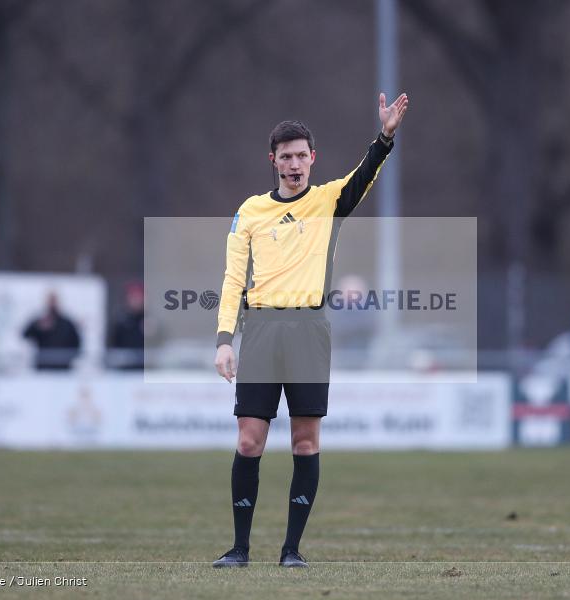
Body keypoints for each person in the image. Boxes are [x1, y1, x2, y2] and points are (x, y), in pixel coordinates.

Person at [212, 92, 409, 568]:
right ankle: (239, 549)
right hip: (259, 331)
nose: (295, 164)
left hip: (309, 330)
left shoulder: (328, 202)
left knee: (305, 442)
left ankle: (291, 551)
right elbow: (233, 278)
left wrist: (384, 137)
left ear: (312, 159)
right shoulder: (251, 211)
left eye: (302, 155)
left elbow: (364, 176)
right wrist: (224, 340)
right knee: (248, 441)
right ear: (274, 161)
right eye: (287, 157)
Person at [22, 292, 81, 370]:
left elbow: (77, 344)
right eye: (50, 301)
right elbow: (25, 334)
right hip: (43, 367)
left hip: (63, 368)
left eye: (54, 301)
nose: (52, 304)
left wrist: (69, 358)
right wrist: (37, 327)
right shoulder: (40, 321)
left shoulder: (67, 323)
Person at [109, 281, 145, 370]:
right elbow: (114, 345)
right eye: (133, 297)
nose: (136, 300)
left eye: (139, 297)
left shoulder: (152, 321)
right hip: (126, 371)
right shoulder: (121, 322)